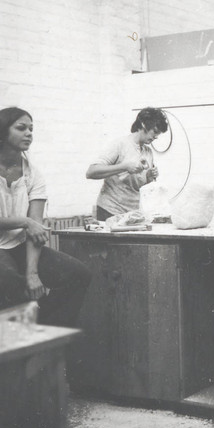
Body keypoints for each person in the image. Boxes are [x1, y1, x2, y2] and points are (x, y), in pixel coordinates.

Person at [0, 107, 91, 327]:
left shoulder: (33, 174)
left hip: (19, 245)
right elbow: (29, 223)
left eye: (31, 128)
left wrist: (33, 273)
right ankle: (18, 348)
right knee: (15, 287)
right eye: (21, 128)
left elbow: (36, 229)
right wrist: (24, 221)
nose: (29, 133)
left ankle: (44, 329)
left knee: (79, 275)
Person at [86, 107, 168, 221]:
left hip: (132, 213)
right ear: (144, 125)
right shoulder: (120, 144)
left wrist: (148, 177)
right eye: (154, 131)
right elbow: (91, 172)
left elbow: (142, 186)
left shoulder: (148, 152)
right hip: (110, 211)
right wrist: (124, 167)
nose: (156, 137)